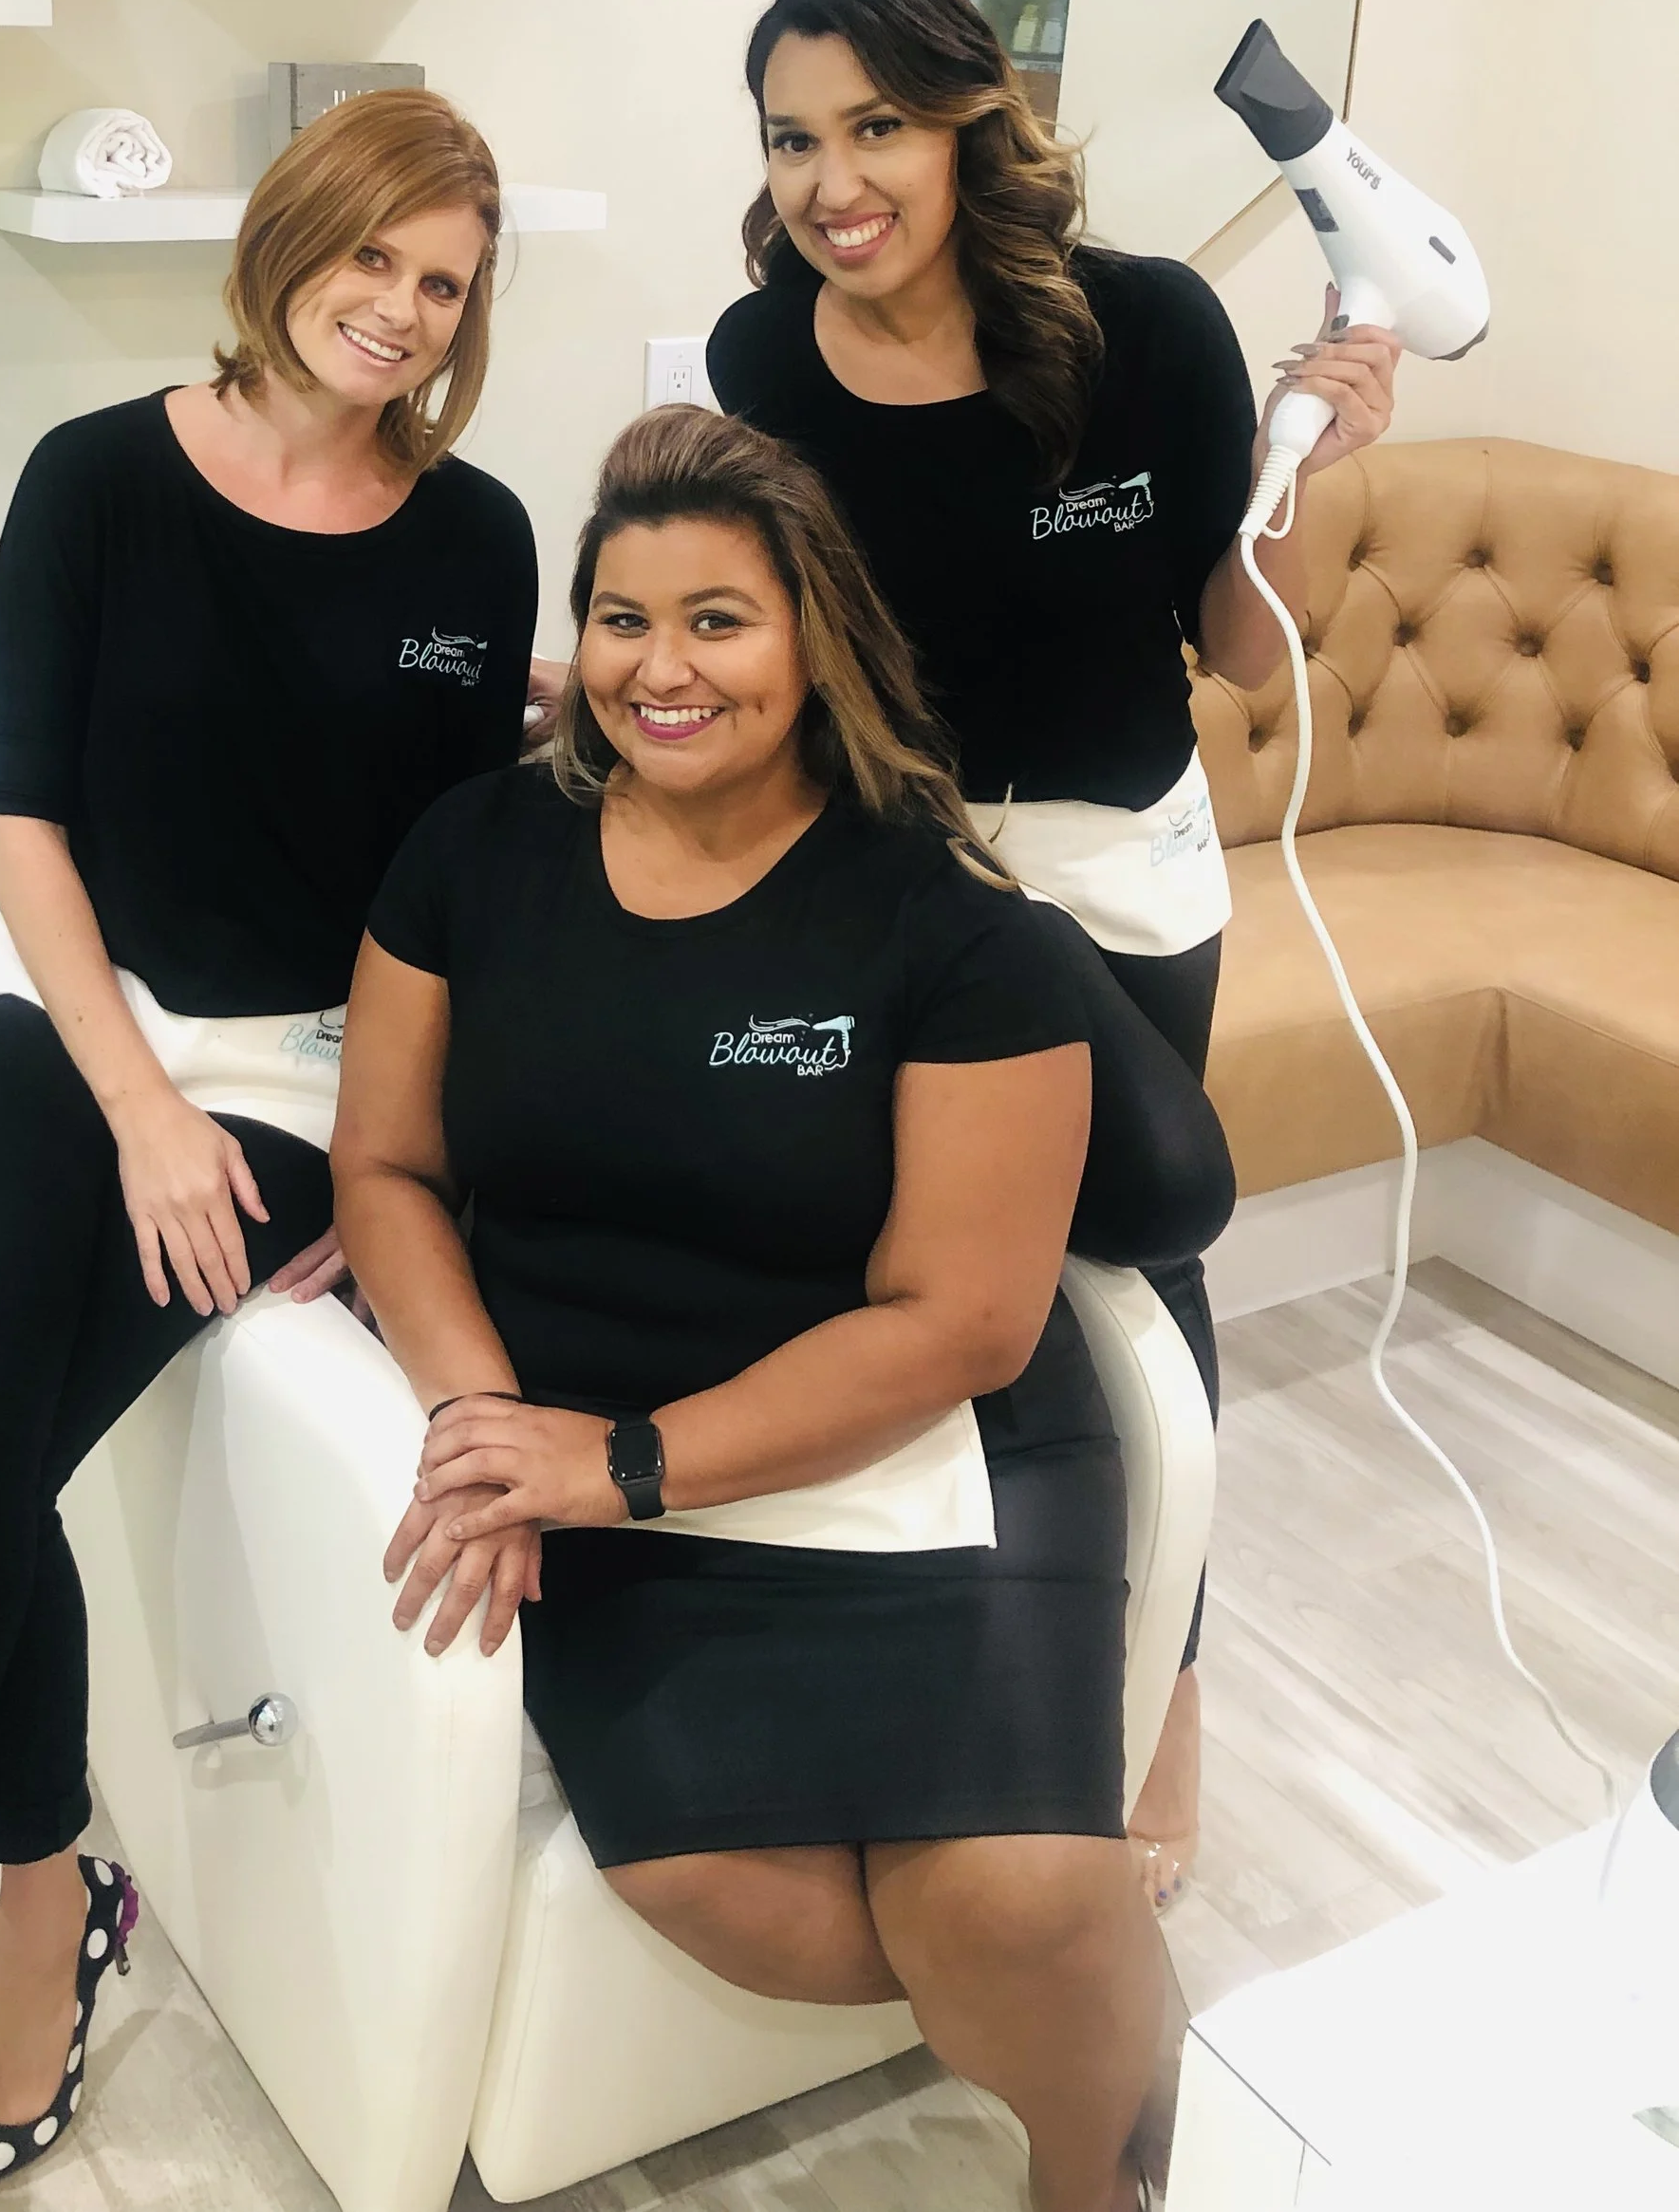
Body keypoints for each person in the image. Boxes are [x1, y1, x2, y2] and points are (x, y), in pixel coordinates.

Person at [336, 406, 1222, 2212]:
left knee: (1008, 1902)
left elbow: (964, 1322)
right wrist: (481, 1420)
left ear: (816, 640)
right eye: (622, 619)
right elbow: (388, 1170)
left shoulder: (947, 920)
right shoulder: (474, 852)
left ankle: (1092, 2163)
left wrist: (626, 1464)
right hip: (598, 1444)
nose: (659, 670)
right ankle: (1093, 1999)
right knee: (717, 1885)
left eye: (717, 621)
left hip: (927, 1446)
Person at [0, 89, 539, 2211]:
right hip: (67, 1000)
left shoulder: (476, 537)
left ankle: (47, 1892)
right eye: (373, 255)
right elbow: (17, 810)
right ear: (288, 240)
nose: (399, 310)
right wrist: (136, 1101)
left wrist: (404, 1169)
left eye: (445, 283)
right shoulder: (98, 478)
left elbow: (445, 892)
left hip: (306, 1070)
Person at [704, 0, 1402, 1903]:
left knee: (1134, 1264)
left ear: (964, 125)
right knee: (901, 1278)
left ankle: (1160, 1694)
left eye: (874, 127)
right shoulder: (762, 363)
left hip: (1111, 874)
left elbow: (1239, 650)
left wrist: (1302, 475)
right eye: (790, 139)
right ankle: (926, 1668)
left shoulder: (1145, 328)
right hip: (888, 869)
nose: (832, 180)